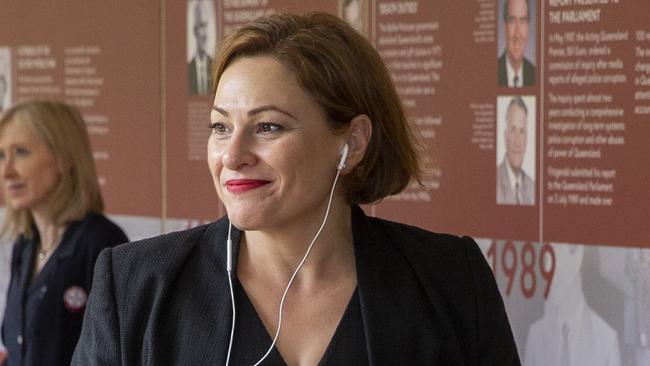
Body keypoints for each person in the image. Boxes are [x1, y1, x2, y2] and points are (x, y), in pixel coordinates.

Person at [73, 12, 519, 365]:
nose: (233, 155)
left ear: (353, 142)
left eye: (267, 126)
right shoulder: (135, 284)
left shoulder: (449, 279)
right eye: (220, 127)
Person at [0, 101, 128, 366]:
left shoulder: (102, 244)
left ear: (65, 158)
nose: (7, 171)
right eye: (2, 156)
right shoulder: (25, 245)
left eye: (21, 153)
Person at [524, 243, 621, 366]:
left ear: (577, 258)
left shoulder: (607, 341)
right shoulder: (535, 336)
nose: (550, 283)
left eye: (556, 257)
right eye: (547, 275)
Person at [497, 96, 534, 205]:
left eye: (522, 132)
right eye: (513, 131)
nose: (517, 142)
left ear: (527, 139)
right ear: (505, 136)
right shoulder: (493, 182)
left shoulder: (533, 188)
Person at [498, 0, 535, 87]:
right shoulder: (492, 72)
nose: (517, 34)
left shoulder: (535, 75)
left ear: (528, 27)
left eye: (523, 21)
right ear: (505, 27)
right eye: (512, 21)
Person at [188, 0, 214, 96]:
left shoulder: (215, 67)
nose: (205, 34)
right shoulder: (188, 69)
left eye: (207, 26)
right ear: (195, 30)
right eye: (202, 26)